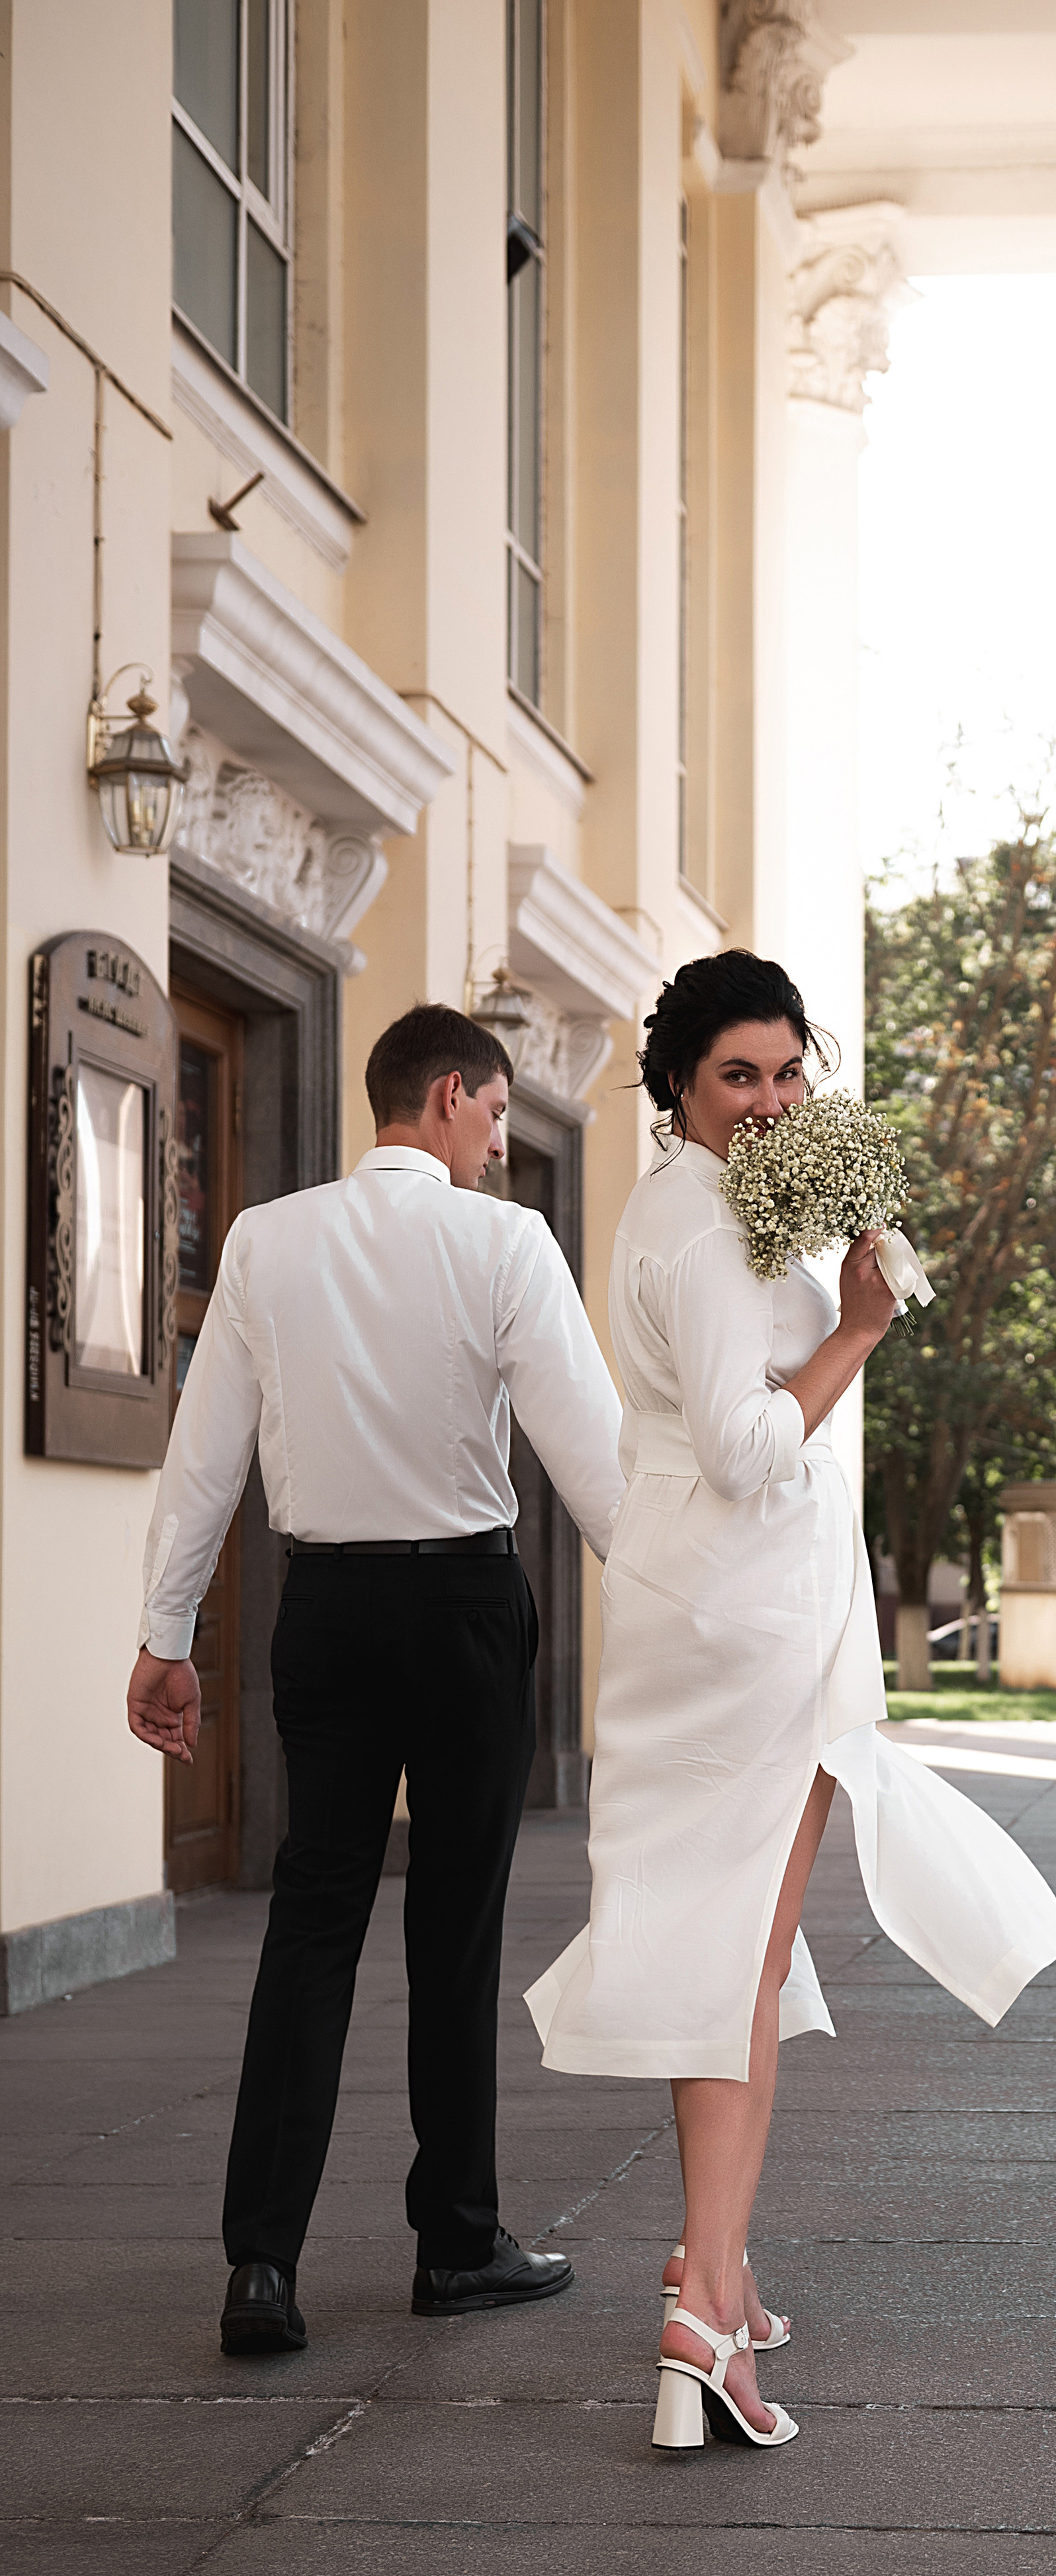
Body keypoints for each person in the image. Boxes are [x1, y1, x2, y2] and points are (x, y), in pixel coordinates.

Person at [523, 952, 1056, 2454]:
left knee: (737, 1953)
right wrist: (853, 1331)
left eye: (786, 1072)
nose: (768, 1101)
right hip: (738, 1614)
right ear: (676, 1089)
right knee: (736, 1957)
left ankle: (723, 2268)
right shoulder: (698, 1227)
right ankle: (700, 2308)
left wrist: (839, 1265)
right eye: (736, 1078)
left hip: (738, 1602)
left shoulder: (713, 1196)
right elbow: (743, 1446)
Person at [125, 1003, 624, 2358]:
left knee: (312, 1921)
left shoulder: (266, 1239)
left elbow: (205, 1453)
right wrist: (688, 1612)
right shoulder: (506, 1242)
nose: (502, 1144)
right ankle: (457, 2245)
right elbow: (596, 1464)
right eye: (501, 1114)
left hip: (325, 1610)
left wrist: (166, 1636)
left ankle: (261, 2268)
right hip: (465, 1606)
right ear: (452, 1096)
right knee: (453, 1928)